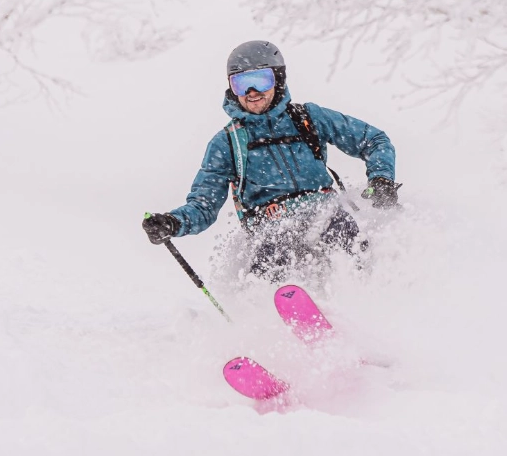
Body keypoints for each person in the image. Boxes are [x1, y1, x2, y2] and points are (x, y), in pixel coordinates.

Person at [142, 40, 400, 281]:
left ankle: (369, 291)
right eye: (241, 84)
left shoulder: (307, 118)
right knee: (277, 250)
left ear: (278, 79)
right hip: (270, 227)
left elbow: (374, 140)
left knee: (344, 235)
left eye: (260, 80)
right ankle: (277, 307)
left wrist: (381, 179)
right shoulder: (228, 143)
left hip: (324, 212)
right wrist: (174, 223)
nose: (252, 92)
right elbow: (203, 205)